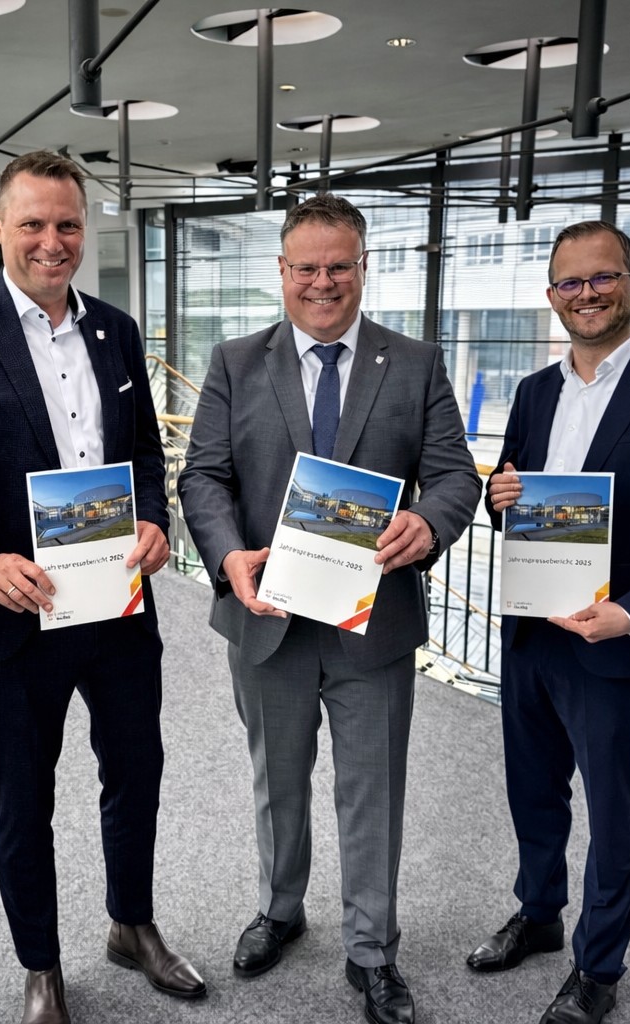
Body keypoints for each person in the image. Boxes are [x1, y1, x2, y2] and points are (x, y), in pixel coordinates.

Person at [0, 150, 204, 1024]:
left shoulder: (115, 330)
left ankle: (131, 925)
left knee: (137, 772)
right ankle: (41, 968)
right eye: (32, 223)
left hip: (115, 605)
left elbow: (142, 454)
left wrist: (154, 520)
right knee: (23, 798)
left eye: (67, 224)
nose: (52, 241)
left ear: (86, 228)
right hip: (14, 612)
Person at [177, 193, 480, 1024]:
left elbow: (455, 475)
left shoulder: (413, 363)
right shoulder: (235, 362)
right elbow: (203, 477)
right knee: (277, 780)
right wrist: (226, 556)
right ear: (281, 271)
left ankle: (372, 949)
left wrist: (430, 522)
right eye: (305, 267)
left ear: (363, 267)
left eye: (338, 266)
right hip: (267, 619)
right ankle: (280, 910)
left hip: (372, 625)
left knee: (371, 790)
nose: (322, 282)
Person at [468, 220, 630, 1024]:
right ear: (552, 296)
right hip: (532, 630)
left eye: (602, 277)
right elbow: (512, 499)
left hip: (613, 642)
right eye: (570, 282)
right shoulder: (534, 391)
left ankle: (599, 966)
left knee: (613, 814)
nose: (587, 294)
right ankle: (540, 914)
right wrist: (497, 497)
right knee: (533, 790)